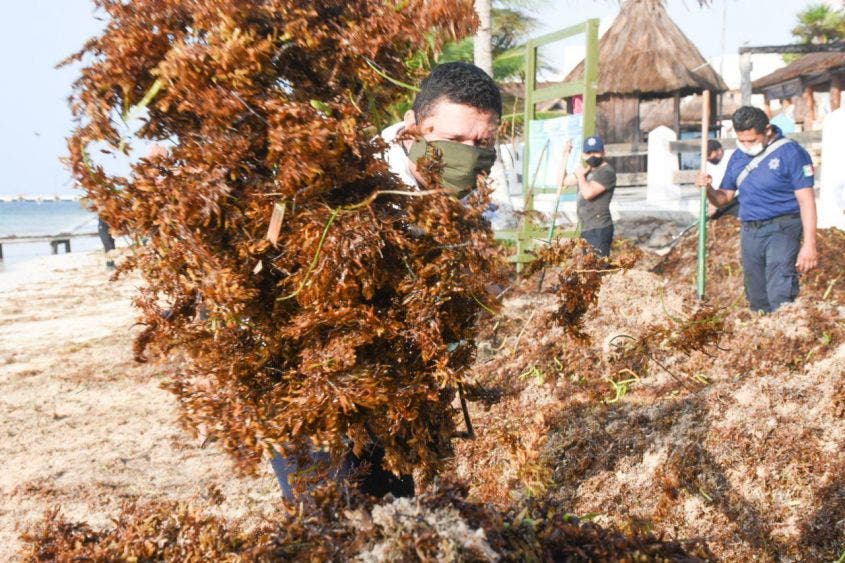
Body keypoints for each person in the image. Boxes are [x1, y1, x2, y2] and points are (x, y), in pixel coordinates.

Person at [272, 62, 502, 501]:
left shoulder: (475, 201)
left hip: (398, 390)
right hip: (315, 388)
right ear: (415, 127)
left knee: (394, 511)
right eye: (454, 141)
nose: (469, 154)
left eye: (482, 142)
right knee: (330, 518)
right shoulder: (348, 177)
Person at [697, 106, 818, 313]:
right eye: (741, 140)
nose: (746, 145)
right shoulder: (738, 157)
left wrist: (810, 245)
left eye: (751, 140)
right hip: (750, 230)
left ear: (767, 130)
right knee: (756, 294)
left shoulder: (791, 153)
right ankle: (763, 333)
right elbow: (723, 198)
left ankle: (785, 333)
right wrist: (707, 188)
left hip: (783, 227)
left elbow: (807, 200)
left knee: (780, 289)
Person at [563, 135, 616, 257]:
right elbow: (562, 181)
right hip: (587, 228)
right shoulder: (587, 171)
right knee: (588, 270)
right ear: (583, 155)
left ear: (603, 152)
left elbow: (588, 194)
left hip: (600, 229)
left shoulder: (606, 172)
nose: (592, 155)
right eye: (589, 152)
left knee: (597, 270)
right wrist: (565, 155)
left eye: (596, 152)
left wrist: (580, 176)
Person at [705, 139, 738, 217]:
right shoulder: (707, 164)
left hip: (736, 199)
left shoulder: (733, 157)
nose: (707, 158)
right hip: (718, 199)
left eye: (709, 154)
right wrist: (712, 202)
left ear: (719, 151)